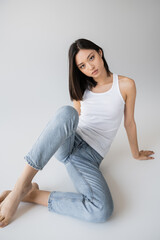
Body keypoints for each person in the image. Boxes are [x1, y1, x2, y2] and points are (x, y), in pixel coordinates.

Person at [0, 38, 155, 228]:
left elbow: (129, 122)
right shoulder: (82, 86)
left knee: (102, 209)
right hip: (70, 143)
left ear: (100, 52)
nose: (90, 67)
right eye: (82, 66)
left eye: (91, 58)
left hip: (88, 157)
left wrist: (135, 153)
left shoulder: (125, 85)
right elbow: (72, 120)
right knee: (67, 113)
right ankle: (19, 189)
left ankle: (31, 194)